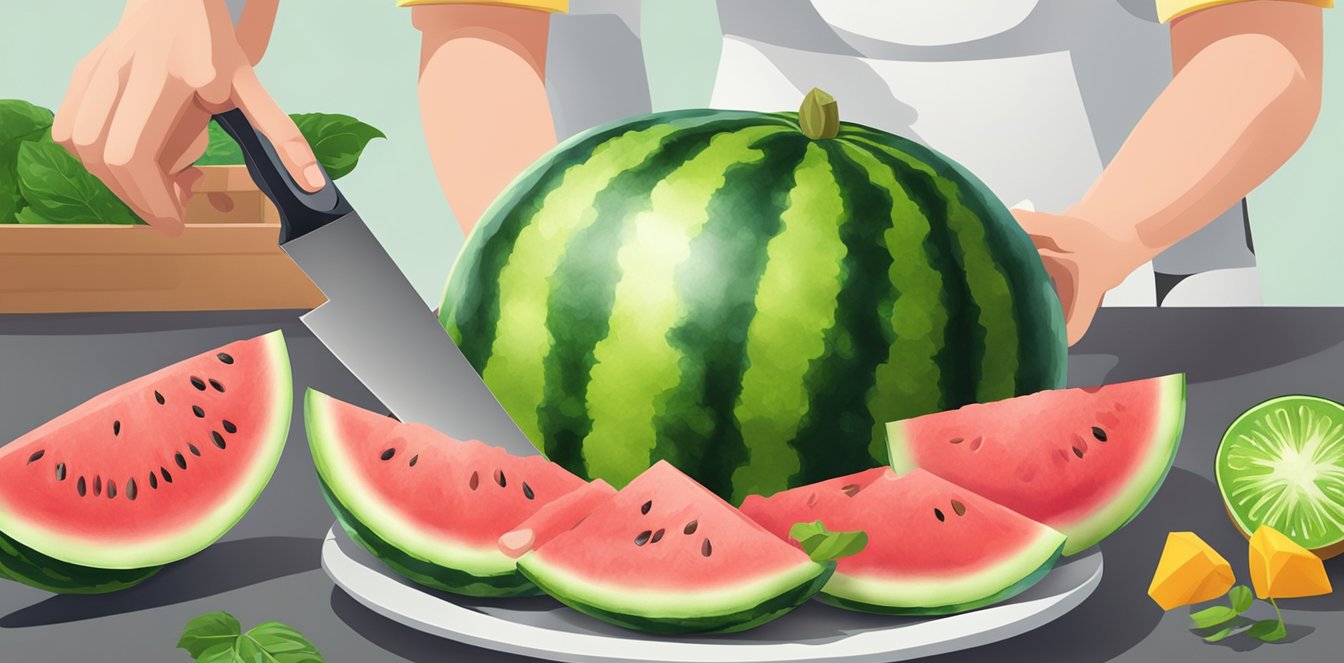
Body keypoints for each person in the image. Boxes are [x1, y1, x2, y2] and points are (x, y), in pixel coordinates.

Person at [54, 0, 1328, 344]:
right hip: (753, 280)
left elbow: (1262, 45)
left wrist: (1102, 239)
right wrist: (553, 252)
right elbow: (496, 29)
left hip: (1142, 294)